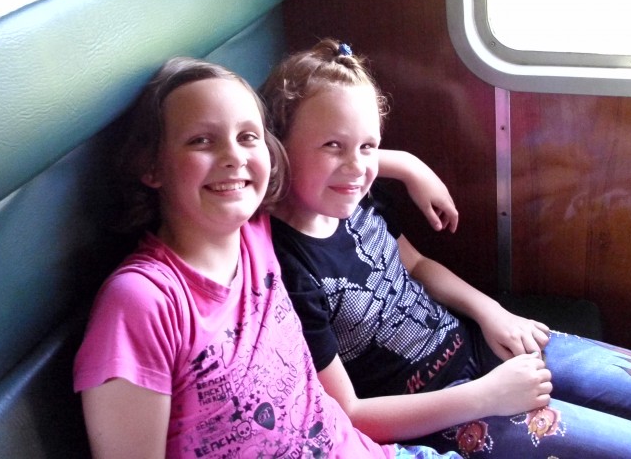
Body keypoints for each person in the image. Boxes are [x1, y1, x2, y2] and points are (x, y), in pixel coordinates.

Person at [259, 39, 631, 458]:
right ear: (277, 148)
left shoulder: (357, 198)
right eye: (333, 145)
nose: (357, 166)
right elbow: (349, 416)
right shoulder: (288, 269)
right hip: (436, 413)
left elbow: (417, 264)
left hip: (471, 345)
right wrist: (486, 396)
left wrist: (492, 313)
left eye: (368, 146)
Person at [72, 57, 462, 459]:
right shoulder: (143, 302)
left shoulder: (256, 227)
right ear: (151, 166)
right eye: (201, 140)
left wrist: (410, 167)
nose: (234, 157)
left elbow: (326, 167)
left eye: (247, 137)